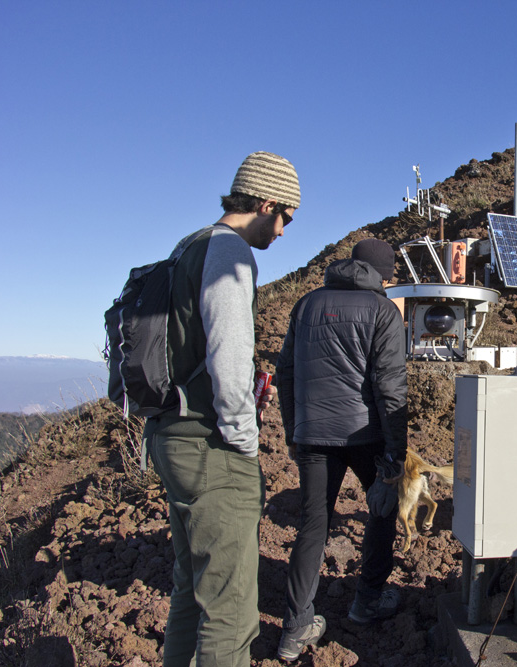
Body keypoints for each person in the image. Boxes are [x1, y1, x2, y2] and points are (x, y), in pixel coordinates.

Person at [143, 151, 300, 667]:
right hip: (211, 447)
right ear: (265, 202)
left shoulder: (188, 246)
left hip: (170, 434)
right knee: (232, 612)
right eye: (285, 218)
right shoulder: (230, 253)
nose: (282, 233)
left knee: (191, 591)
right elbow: (228, 352)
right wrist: (245, 437)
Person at [276, 238, 408, 662]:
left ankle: (295, 627)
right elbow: (390, 389)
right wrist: (396, 453)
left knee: (313, 525)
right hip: (365, 435)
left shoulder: (306, 305)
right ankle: (367, 600)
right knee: (383, 509)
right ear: (381, 274)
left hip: (313, 434)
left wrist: (293, 433)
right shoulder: (382, 310)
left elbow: (286, 375)